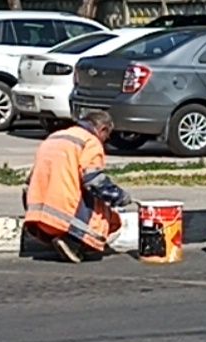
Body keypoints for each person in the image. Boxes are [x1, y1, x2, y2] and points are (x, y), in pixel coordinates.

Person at [22, 105, 130, 262]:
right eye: (108, 136)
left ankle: (60, 238)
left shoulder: (55, 137)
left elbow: (32, 178)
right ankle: (73, 242)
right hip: (65, 214)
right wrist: (119, 196)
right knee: (106, 213)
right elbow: (93, 181)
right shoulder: (90, 141)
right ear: (103, 130)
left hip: (38, 216)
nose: (106, 141)